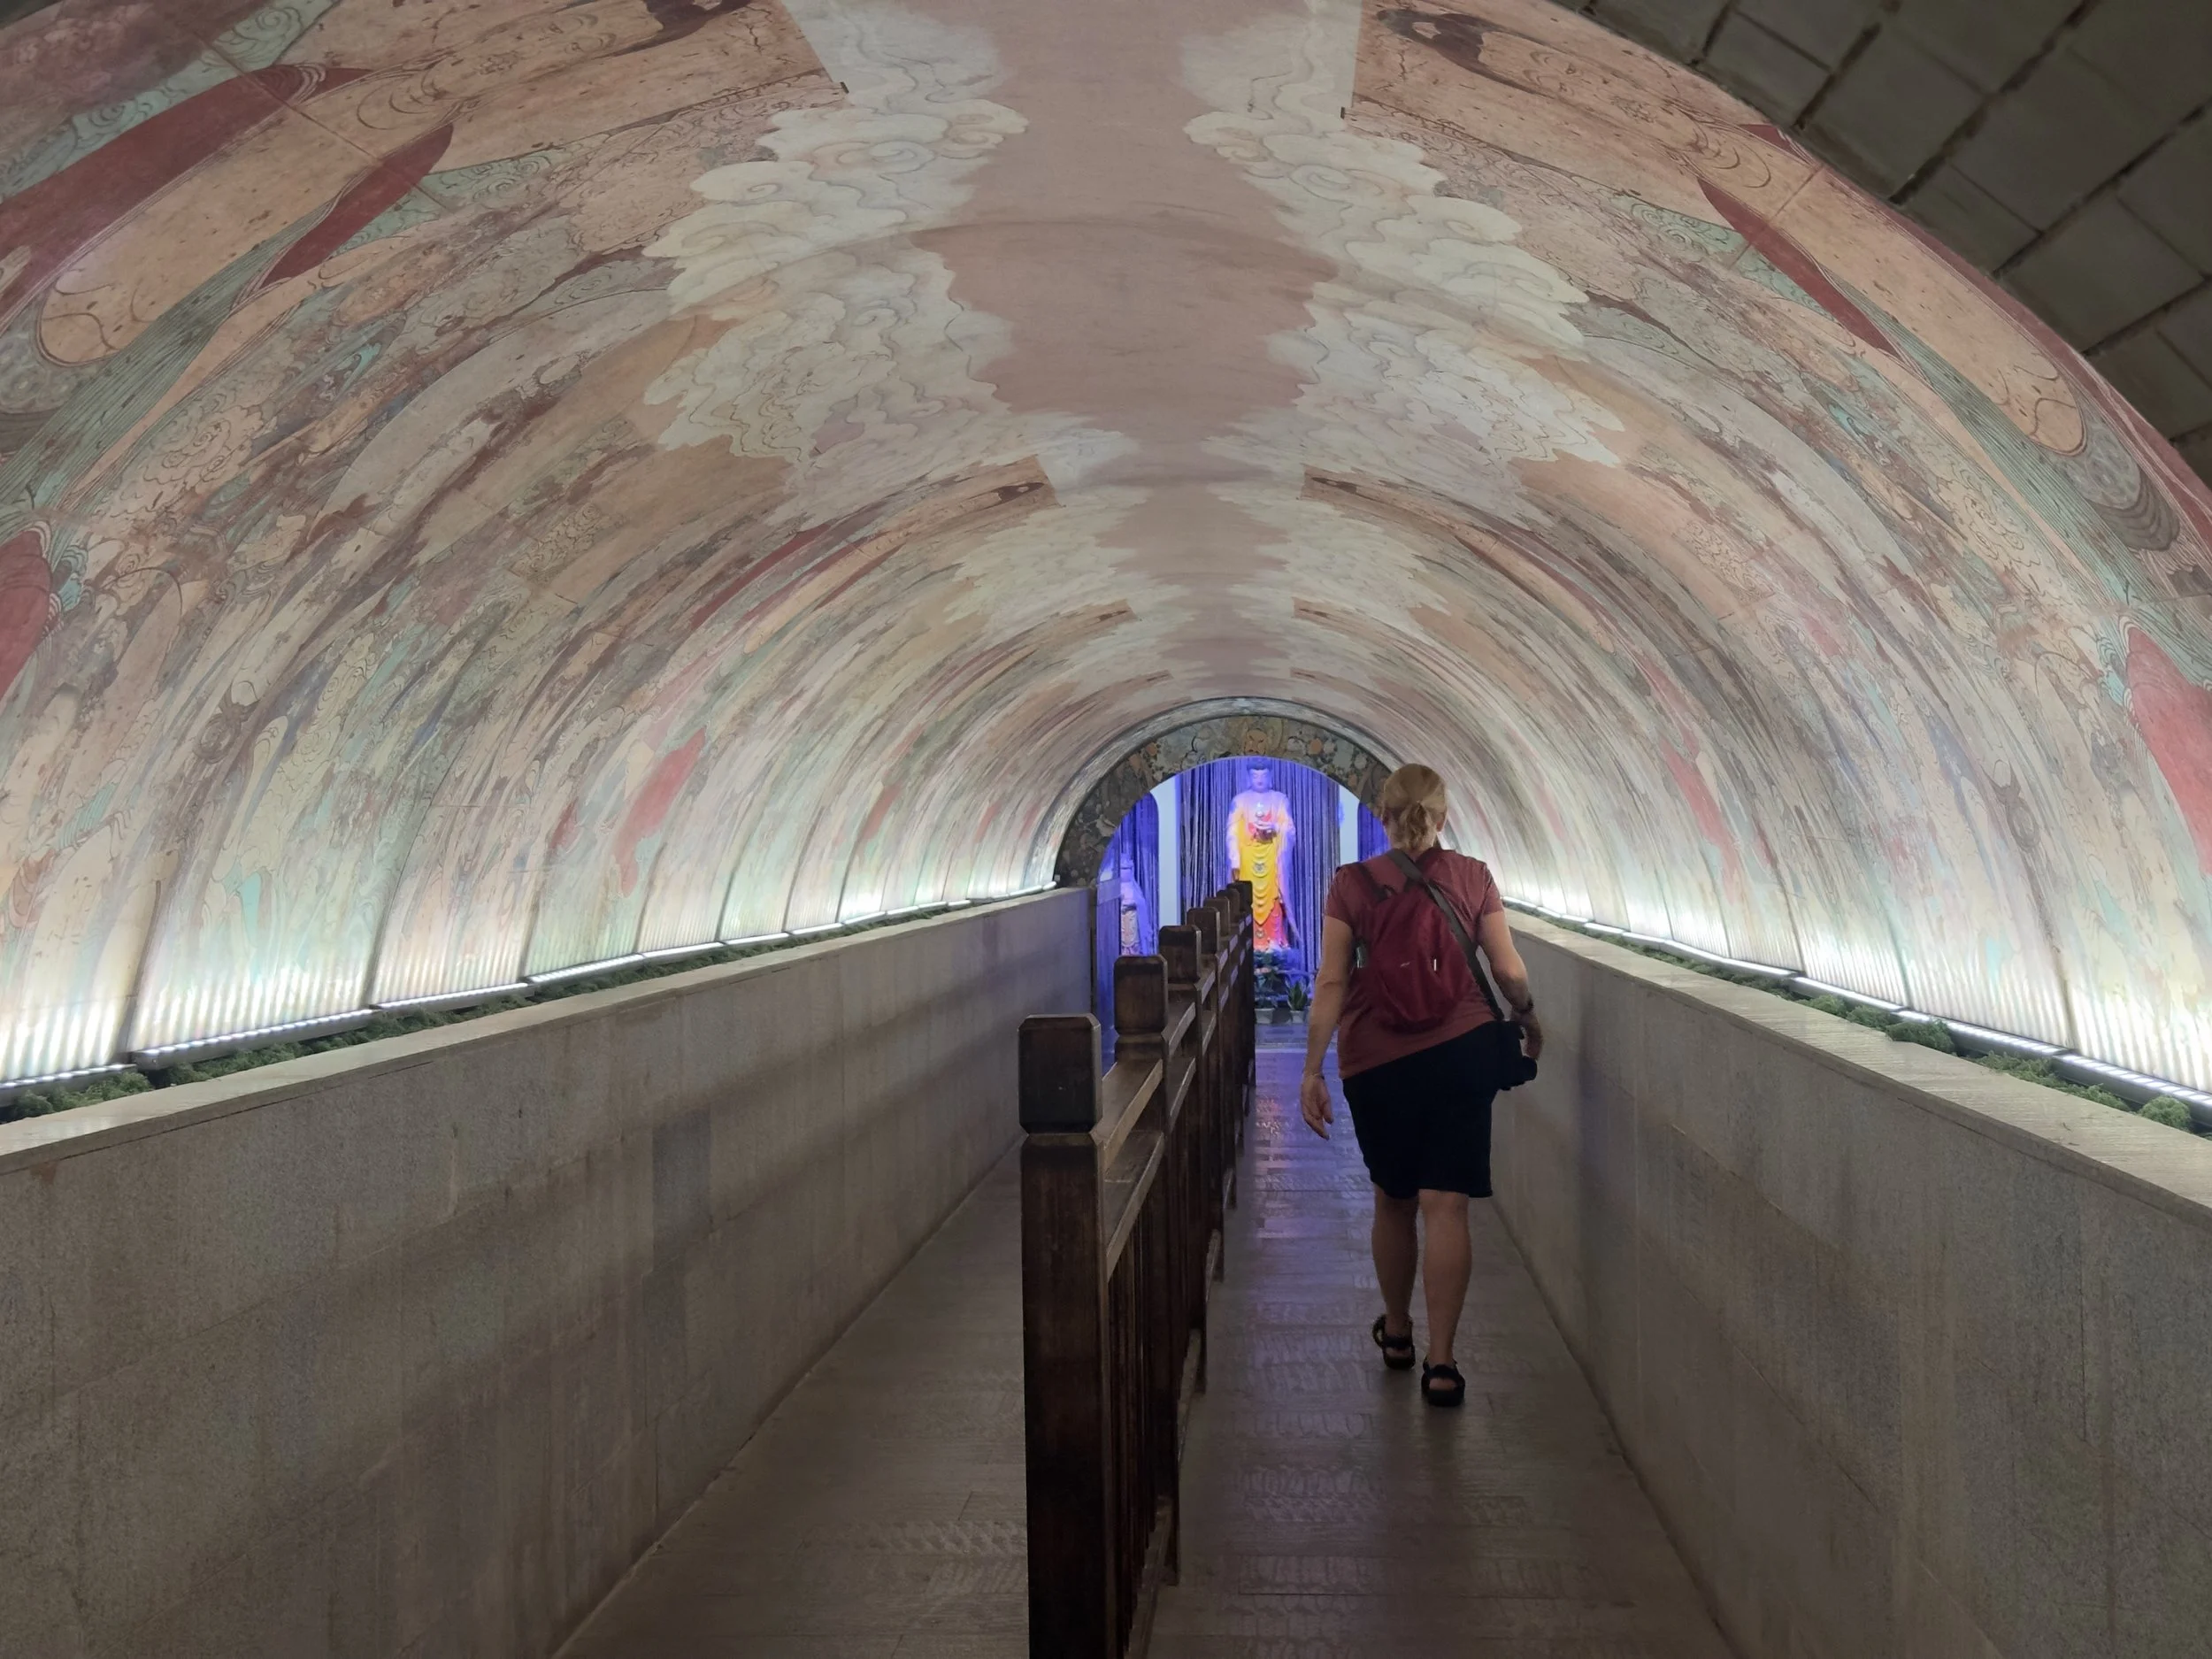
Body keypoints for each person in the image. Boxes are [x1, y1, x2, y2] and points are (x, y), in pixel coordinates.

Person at [1298, 764, 1542, 1407]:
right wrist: (1528, 1014)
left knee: (1393, 1199)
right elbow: (1508, 969)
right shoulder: (1473, 876)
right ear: (1445, 813)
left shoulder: (1351, 884)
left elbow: (1330, 982)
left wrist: (1311, 1068)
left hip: (1377, 1063)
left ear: (1383, 812)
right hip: (1461, 1055)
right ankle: (1442, 1363)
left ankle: (1398, 1332)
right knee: (1448, 1204)